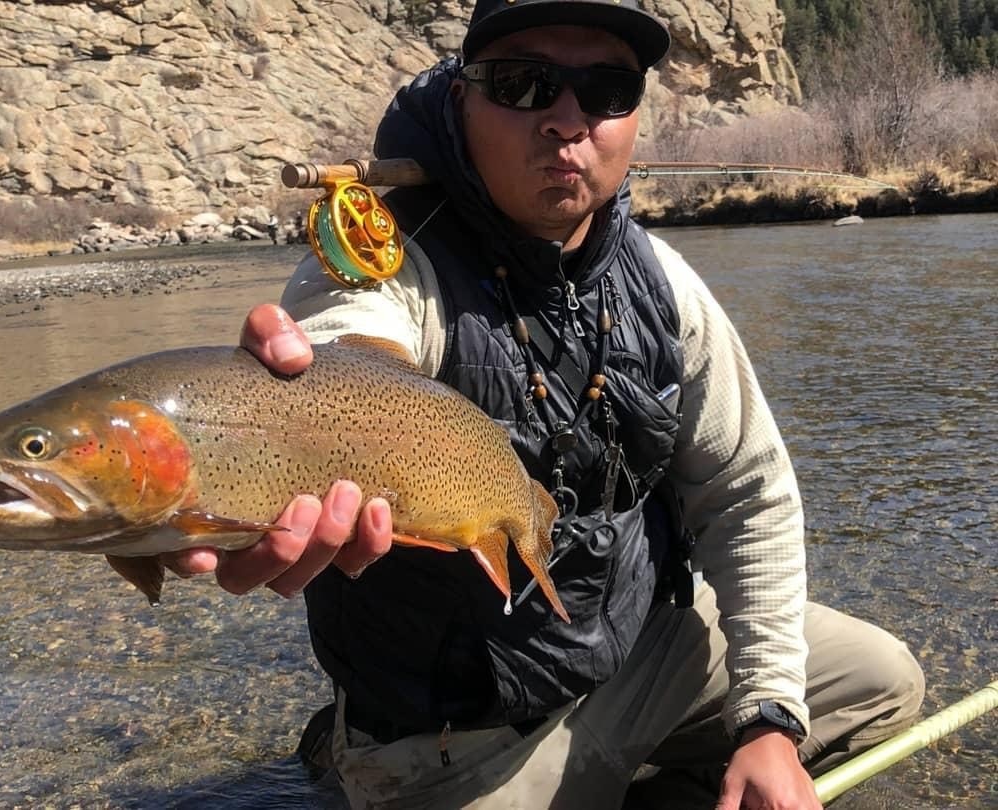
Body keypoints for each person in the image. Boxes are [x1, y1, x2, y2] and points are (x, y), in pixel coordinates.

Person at [163, 1, 925, 807]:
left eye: (606, 90)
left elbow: (747, 490)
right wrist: (249, 434)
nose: (568, 119)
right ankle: (351, 752)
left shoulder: (664, 283)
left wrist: (767, 719)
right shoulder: (377, 266)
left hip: (642, 651)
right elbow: (348, 347)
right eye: (524, 84)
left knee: (881, 683)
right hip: (467, 735)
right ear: (462, 99)